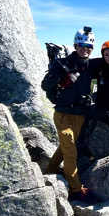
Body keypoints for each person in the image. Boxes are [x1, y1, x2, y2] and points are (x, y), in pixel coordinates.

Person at [42, 27, 96, 199]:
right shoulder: (63, 64)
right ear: (75, 45)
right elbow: (45, 85)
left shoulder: (91, 66)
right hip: (63, 114)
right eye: (81, 46)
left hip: (80, 115)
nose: (84, 49)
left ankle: (49, 172)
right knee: (71, 151)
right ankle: (76, 189)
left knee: (65, 147)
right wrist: (60, 78)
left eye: (88, 46)